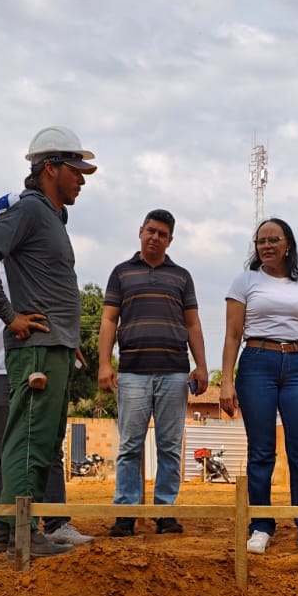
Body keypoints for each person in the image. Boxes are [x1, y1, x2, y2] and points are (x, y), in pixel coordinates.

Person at [0, 126, 98, 558]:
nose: (81, 180)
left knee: (42, 439)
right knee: (29, 437)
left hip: (55, 345)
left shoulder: (51, 217)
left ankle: (11, 528)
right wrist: (10, 316)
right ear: (50, 168)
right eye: (76, 170)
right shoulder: (30, 210)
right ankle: (22, 534)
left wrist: (69, 337)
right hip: (37, 348)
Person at [218, 218, 298, 555]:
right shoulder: (245, 281)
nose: (266, 245)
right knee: (261, 451)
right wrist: (226, 380)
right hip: (256, 363)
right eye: (261, 241)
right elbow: (232, 334)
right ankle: (260, 526)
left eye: (273, 239)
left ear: (288, 244)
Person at [99, 209, 209, 537]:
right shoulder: (121, 273)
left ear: (170, 240)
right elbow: (109, 320)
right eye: (150, 231)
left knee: (170, 446)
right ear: (140, 231)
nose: (155, 237)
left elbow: (192, 324)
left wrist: (201, 365)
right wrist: (105, 364)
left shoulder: (182, 277)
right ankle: (126, 513)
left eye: (162, 234)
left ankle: (165, 513)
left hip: (174, 372)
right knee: (129, 446)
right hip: (132, 372)